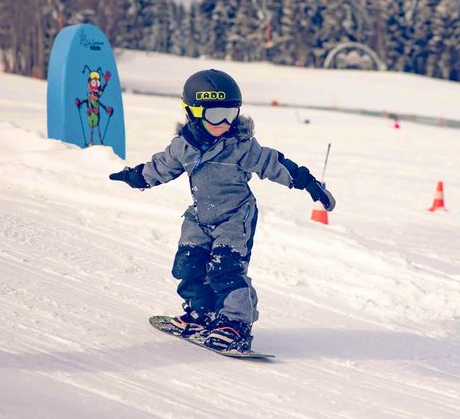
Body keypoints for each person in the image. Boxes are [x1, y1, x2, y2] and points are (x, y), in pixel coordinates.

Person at [108, 69, 335, 353]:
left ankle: (235, 323)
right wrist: (135, 176)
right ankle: (202, 314)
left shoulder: (241, 147)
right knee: (189, 265)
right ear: (192, 112)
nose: (225, 122)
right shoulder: (182, 147)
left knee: (226, 269)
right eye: (215, 115)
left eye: (231, 113)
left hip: (235, 217)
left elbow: (275, 164)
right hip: (199, 217)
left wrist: (309, 184)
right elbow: (161, 167)